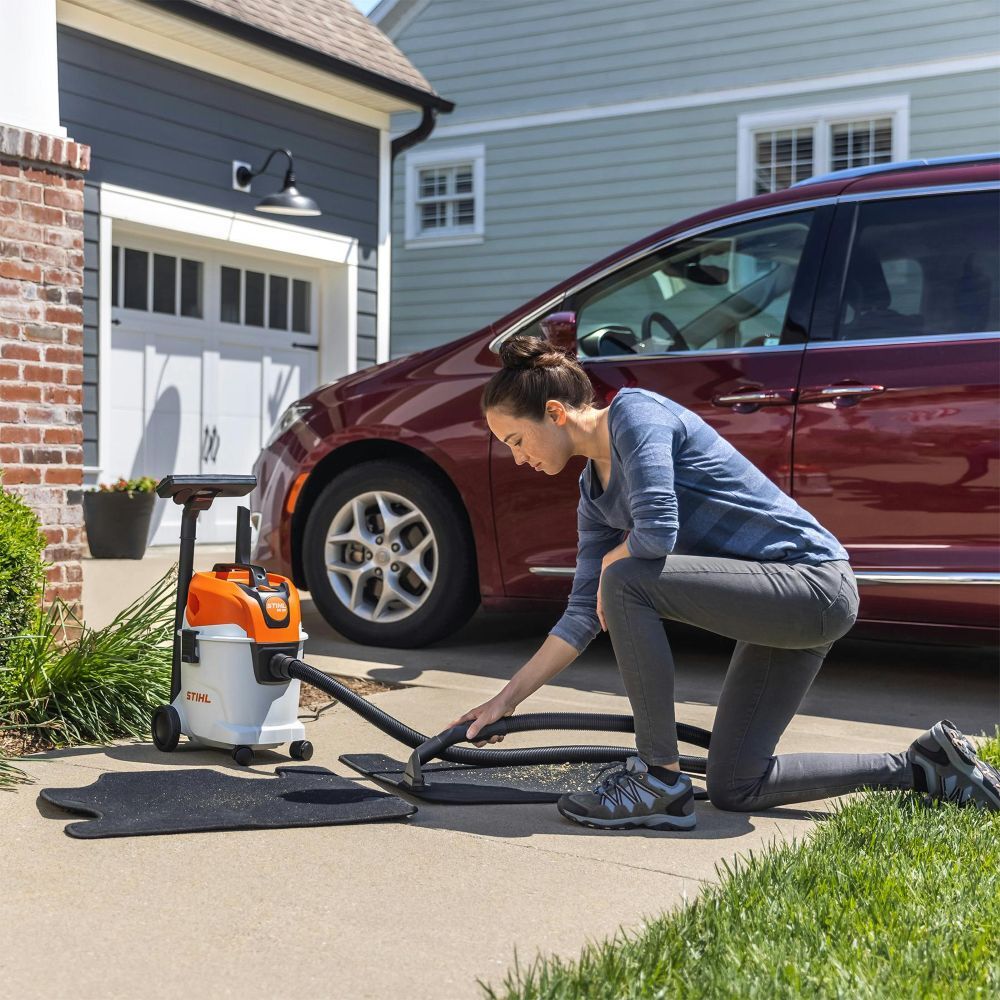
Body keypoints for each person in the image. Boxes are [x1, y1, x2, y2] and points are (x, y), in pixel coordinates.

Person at [449, 334, 1000, 831]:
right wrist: (504, 702)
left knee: (625, 579)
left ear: (554, 413)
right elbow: (578, 617)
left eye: (516, 439)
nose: (517, 458)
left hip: (813, 585)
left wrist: (616, 561)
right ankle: (922, 766)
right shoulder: (594, 497)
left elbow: (657, 531)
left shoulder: (636, 415)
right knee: (737, 784)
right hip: (774, 605)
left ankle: (658, 778)